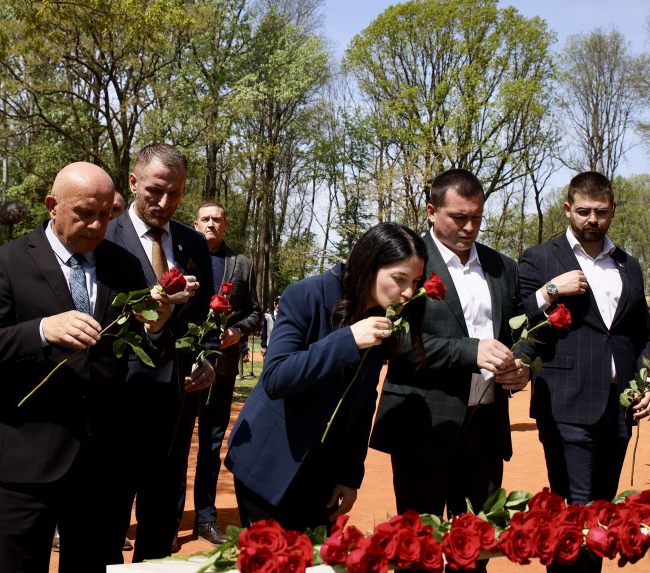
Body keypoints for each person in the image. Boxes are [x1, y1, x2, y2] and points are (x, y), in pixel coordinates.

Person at [0, 162, 176, 572]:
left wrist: (156, 329)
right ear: (52, 205)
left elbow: (135, 354)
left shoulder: (124, 266)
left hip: (102, 462)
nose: (96, 226)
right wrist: (41, 330)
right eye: (84, 214)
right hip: (26, 461)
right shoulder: (7, 262)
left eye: (106, 214)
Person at [225, 222, 428, 532]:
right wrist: (347, 340)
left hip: (323, 475)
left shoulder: (384, 316)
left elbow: (363, 401)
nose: (409, 292)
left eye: (415, 281)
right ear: (368, 266)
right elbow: (277, 378)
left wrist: (349, 475)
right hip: (271, 465)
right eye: (400, 279)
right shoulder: (307, 293)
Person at [370, 169, 528, 525]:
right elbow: (396, 343)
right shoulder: (406, 264)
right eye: (459, 217)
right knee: (418, 548)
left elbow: (521, 330)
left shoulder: (503, 267)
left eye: (477, 217)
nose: (469, 227)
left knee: (477, 548)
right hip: (424, 426)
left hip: (487, 430)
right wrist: (472, 351)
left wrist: (524, 364)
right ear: (431, 211)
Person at [517, 171, 650, 573]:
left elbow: (642, 336)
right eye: (583, 211)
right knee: (575, 518)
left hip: (618, 409)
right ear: (568, 209)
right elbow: (517, 321)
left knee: (601, 514)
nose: (592, 219)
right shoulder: (540, 258)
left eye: (600, 211)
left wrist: (647, 383)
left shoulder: (629, 265)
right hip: (565, 403)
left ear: (612, 211)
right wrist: (551, 291)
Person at [105, 143, 214, 562]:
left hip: (176, 400)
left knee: (163, 511)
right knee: (109, 510)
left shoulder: (193, 243)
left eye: (176, 192)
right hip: (117, 396)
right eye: (155, 191)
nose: (165, 202)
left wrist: (206, 357)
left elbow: (204, 319)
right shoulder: (104, 237)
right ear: (133, 183)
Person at [183, 201, 261, 545]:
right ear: (195, 223)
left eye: (217, 219)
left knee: (211, 447)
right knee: (174, 445)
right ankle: (168, 520)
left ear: (225, 225)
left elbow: (255, 311)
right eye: (205, 219)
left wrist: (239, 331)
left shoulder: (241, 264)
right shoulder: (179, 256)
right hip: (182, 368)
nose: (211, 224)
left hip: (224, 367)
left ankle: (205, 519)